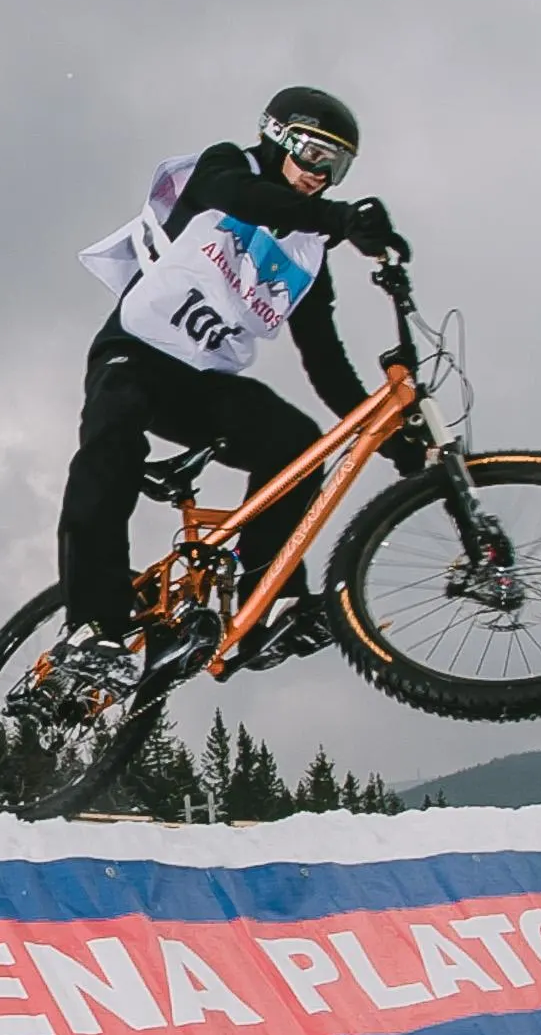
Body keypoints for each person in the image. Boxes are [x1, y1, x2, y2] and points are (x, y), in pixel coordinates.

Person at [52, 85, 404, 694]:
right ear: (278, 136)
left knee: (296, 443)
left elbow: (325, 362)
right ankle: (91, 625)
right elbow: (240, 197)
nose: (322, 176)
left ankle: (266, 602)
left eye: (338, 167)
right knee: (112, 443)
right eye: (314, 155)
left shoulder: (307, 252)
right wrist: (342, 220)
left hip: (199, 385)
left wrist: (392, 439)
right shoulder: (225, 167)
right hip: (135, 352)